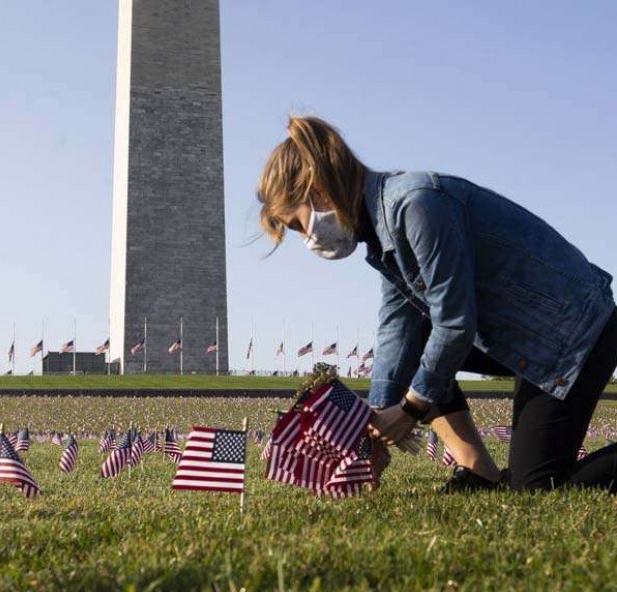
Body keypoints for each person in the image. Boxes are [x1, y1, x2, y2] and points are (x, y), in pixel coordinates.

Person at [256, 115, 617, 493]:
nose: (306, 239)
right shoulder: (382, 233)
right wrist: (376, 428)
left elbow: (455, 322)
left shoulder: (416, 204)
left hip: (574, 335)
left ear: (318, 188)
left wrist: (411, 409)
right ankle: (479, 470)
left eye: (296, 224)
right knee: (416, 335)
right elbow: (397, 330)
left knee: (539, 489)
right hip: (527, 337)